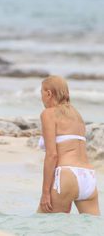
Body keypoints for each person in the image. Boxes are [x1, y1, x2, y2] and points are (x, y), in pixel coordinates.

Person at [37, 75, 100, 215]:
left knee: (42, 226)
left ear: (48, 93)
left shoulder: (48, 114)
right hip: (88, 178)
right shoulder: (77, 115)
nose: (41, 98)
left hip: (66, 176)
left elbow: (52, 155)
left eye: (41, 93)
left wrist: (45, 193)